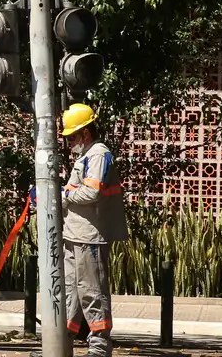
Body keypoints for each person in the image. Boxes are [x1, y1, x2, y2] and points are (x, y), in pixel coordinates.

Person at [61, 104, 127, 357]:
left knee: (91, 291)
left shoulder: (98, 155)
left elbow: (91, 192)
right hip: (75, 234)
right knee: (71, 291)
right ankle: (61, 344)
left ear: (86, 133)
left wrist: (63, 193)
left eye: (72, 137)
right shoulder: (87, 155)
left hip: (89, 234)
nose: (69, 143)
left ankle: (99, 347)